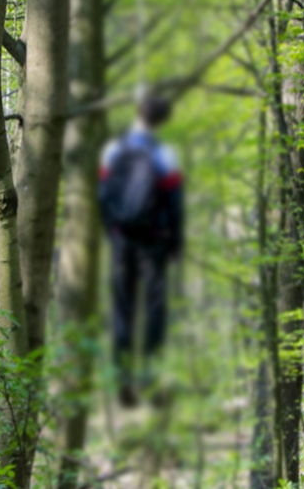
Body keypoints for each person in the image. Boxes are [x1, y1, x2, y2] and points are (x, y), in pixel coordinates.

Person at [99, 93, 184, 407]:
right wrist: (175, 244)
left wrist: (113, 233)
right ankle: (149, 379)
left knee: (123, 308)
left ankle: (123, 378)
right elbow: (175, 204)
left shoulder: (113, 151)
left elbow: (103, 196)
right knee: (153, 311)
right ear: (160, 120)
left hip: (122, 239)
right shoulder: (164, 154)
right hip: (154, 242)